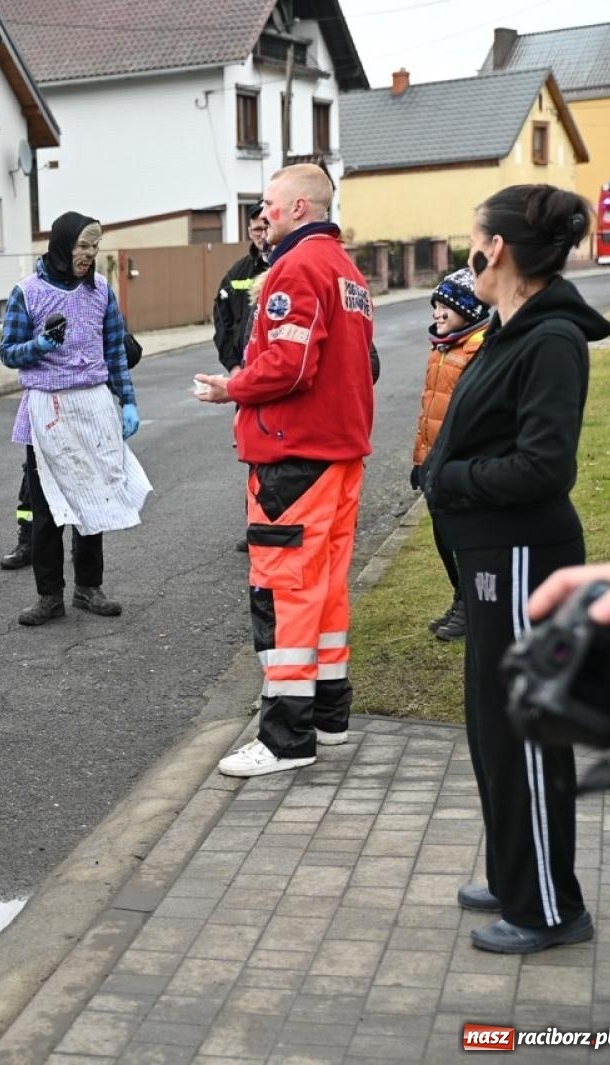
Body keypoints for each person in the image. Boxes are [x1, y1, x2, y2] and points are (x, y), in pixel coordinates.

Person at [420, 184, 608, 954]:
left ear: (493, 248)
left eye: (471, 237)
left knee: (524, 731)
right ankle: (514, 874)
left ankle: (548, 908)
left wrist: (450, 478)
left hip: (526, 554)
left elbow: (544, 467)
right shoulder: (511, 326)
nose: (467, 250)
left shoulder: (550, 339)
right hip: (496, 556)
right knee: (491, 727)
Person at [195, 164, 375, 779]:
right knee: (324, 590)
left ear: (300, 206)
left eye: (269, 203)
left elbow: (290, 365)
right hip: (338, 456)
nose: (262, 213)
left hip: (293, 459)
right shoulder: (347, 270)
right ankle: (329, 717)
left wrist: (231, 389)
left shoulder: (297, 267)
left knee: (284, 594)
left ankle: (285, 738)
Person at [0, 212, 149, 627]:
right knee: (46, 509)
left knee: (92, 501)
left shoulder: (101, 291)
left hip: (93, 405)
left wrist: (128, 401)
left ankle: (88, 588)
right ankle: (49, 596)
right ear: (63, 244)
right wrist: (39, 344)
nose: (89, 254)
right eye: (83, 245)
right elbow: (8, 352)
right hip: (47, 407)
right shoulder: (27, 293)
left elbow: (116, 351)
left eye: (95, 246)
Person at [412, 268, 490, 642]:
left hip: (459, 466)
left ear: (471, 309)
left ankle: (473, 609)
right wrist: (420, 462)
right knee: (444, 537)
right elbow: (429, 412)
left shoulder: (480, 348)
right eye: (435, 306)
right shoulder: (442, 348)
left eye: (447, 306)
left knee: (463, 539)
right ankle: (462, 598)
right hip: (435, 466)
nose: (437, 314)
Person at [212, 208, 272, 373]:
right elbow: (222, 322)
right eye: (257, 229)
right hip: (246, 371)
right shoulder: (237, 273)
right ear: (249, 232)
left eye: (267, 227)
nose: (263, 235)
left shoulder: (289, 266)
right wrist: (234, 367)